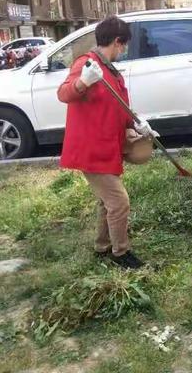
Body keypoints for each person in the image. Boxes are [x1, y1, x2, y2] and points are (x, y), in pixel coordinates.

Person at [57, 16, 158, 269]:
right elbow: (63, 93)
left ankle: (102, 246)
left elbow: (116, 108)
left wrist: (136, 124)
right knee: (118, 201)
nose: (123, 51)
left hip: (107, 147)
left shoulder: (111, 72)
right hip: (91, 150)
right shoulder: (87, 65)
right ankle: (120, 253)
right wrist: (83, 82)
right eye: (123, 46)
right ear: (116, 42)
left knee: (107, 201)